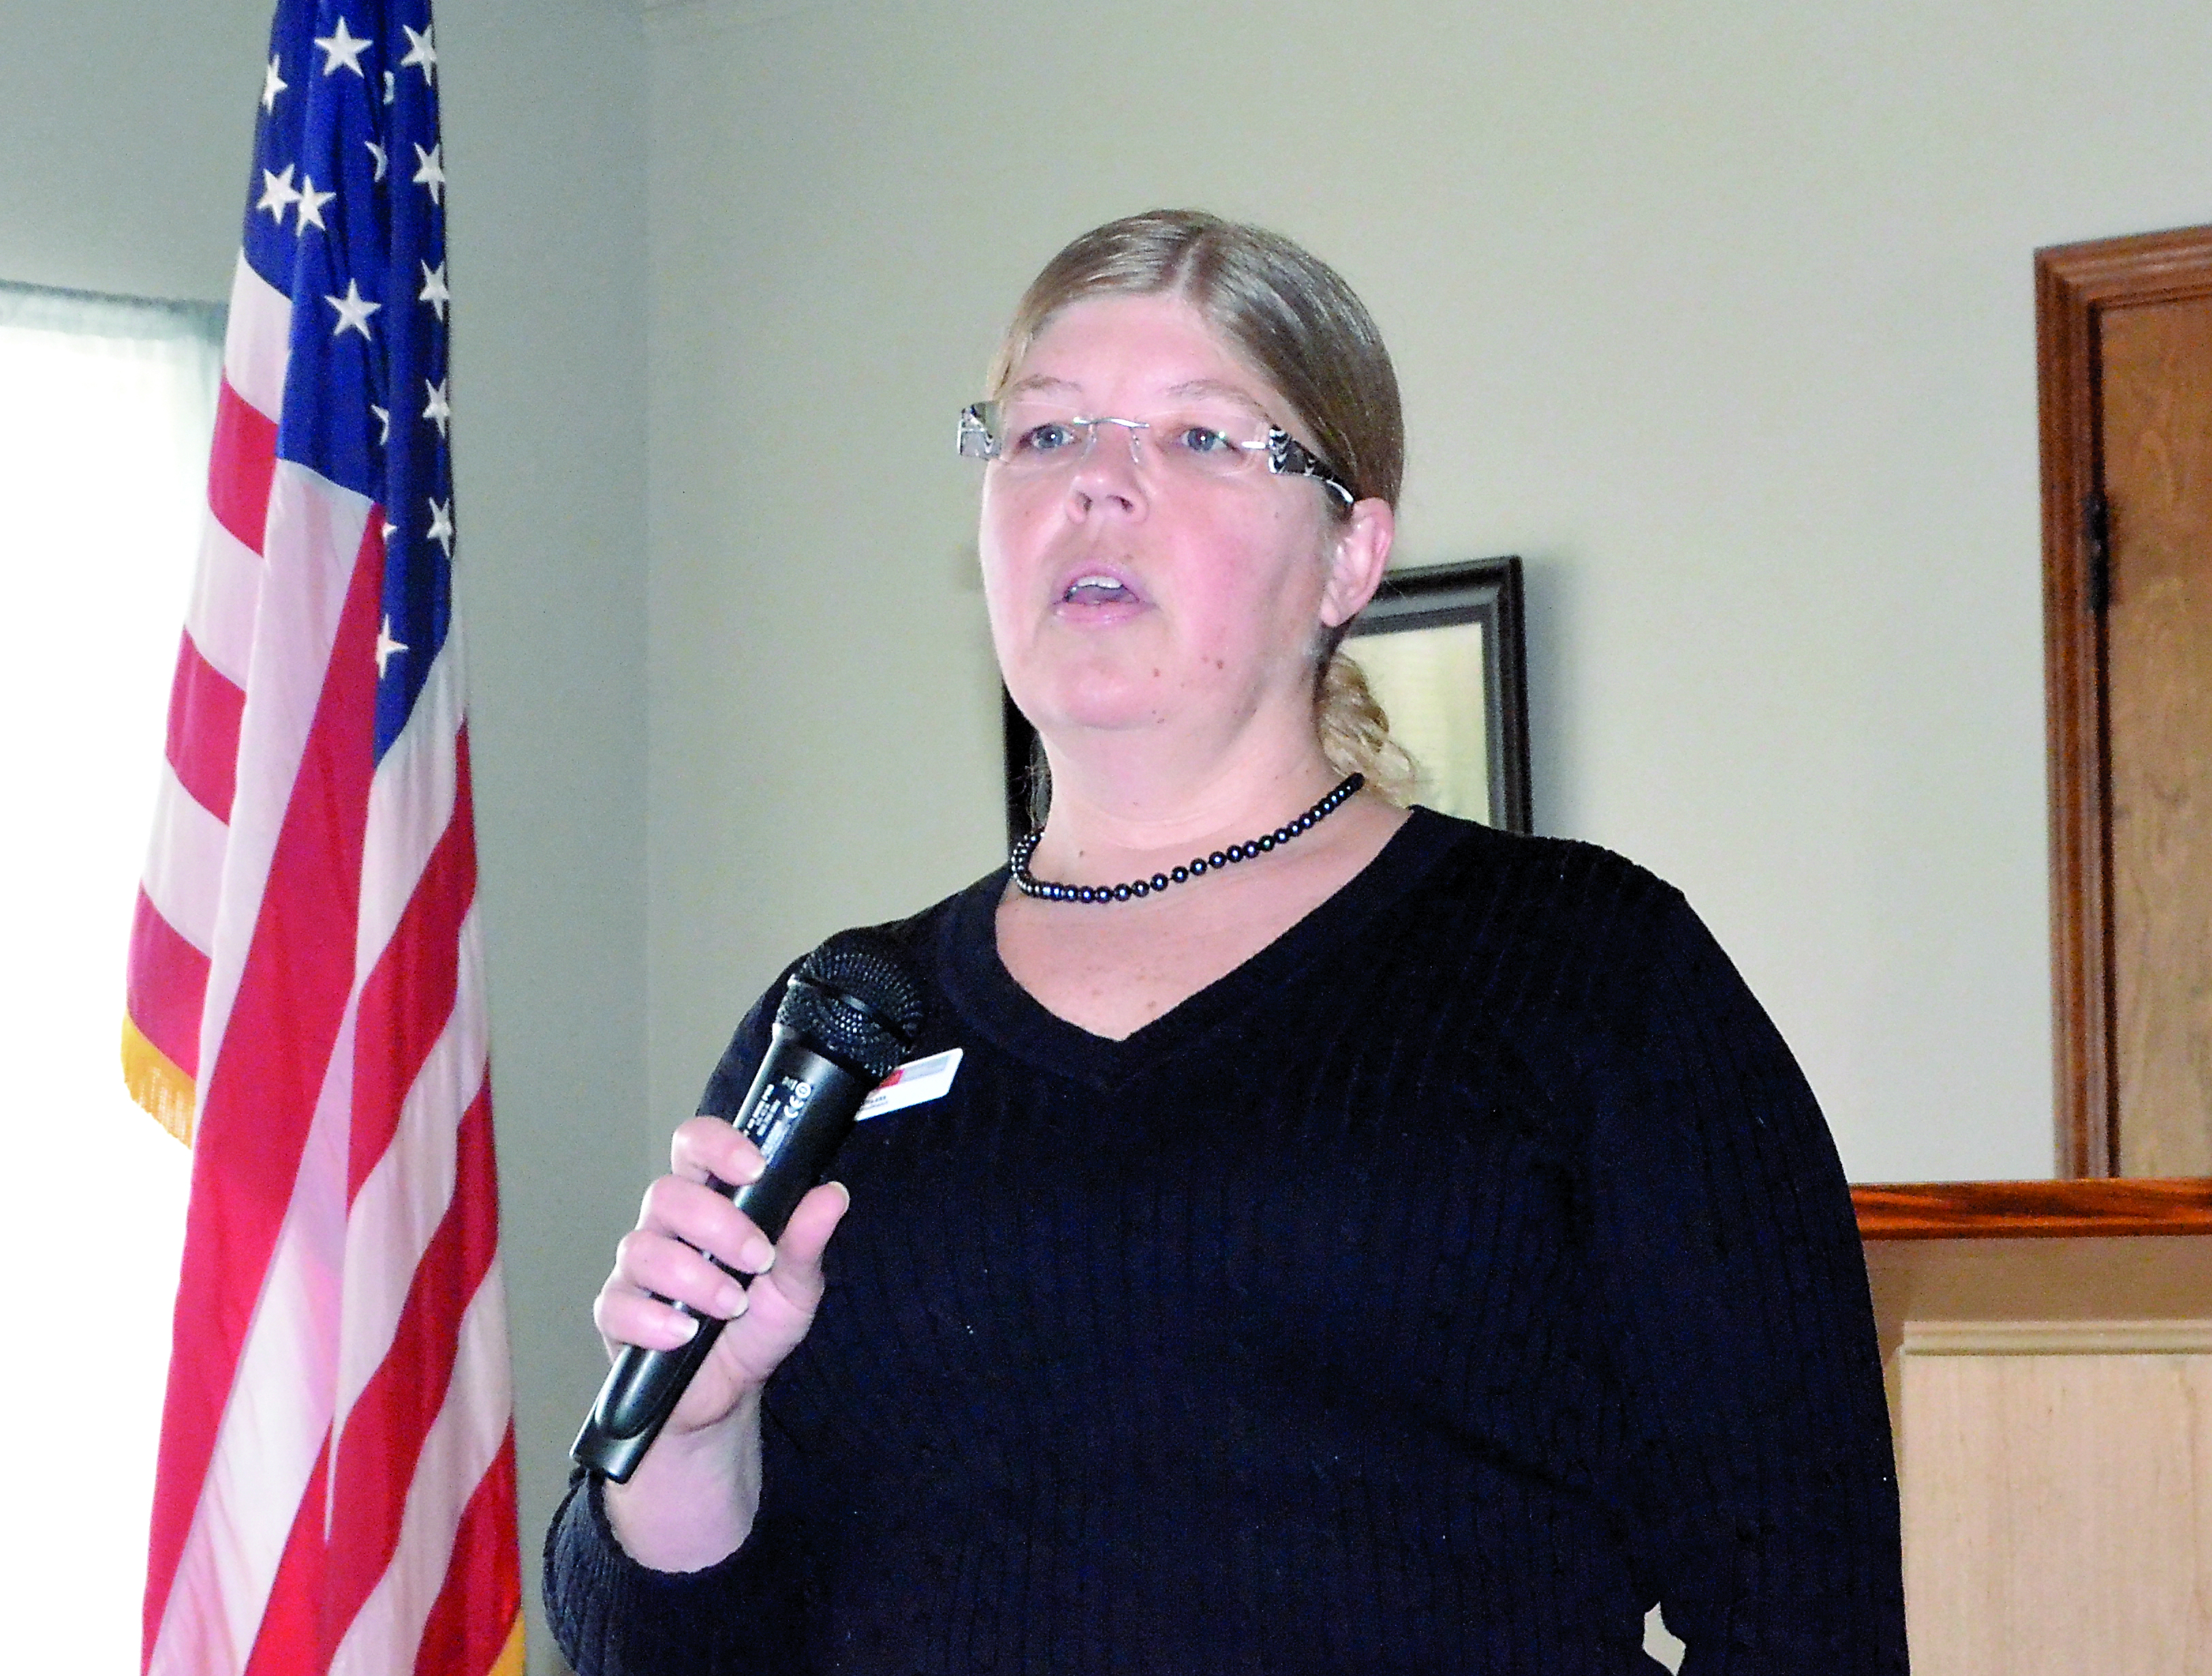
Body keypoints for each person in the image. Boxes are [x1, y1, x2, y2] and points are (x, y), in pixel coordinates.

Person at [545, 209, 1910, 1674]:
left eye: (1200, 440)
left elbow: (1803, 1604)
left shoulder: (1590, 968)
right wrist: (696, 1439)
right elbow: (651, 1645)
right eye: (1045, 436)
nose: (1099, 492)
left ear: (1348, 555)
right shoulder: (849, 1018)